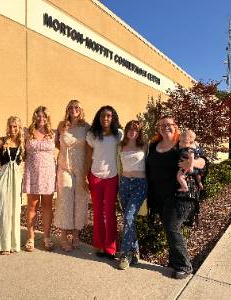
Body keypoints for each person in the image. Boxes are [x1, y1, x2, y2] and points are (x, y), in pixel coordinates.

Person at [146, 116, 205, 279]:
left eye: (170, 125)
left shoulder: (183, 143)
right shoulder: (153, 146)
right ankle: (174, 261)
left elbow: (203, 160)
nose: (166, 127)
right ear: (158, 128)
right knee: (170, 227)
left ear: (176, 127)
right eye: (162, 125)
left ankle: (184, 266)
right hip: (160, 195)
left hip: (181, 193)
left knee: (172, 226)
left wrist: (192, 164)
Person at [84, 105, 123, 259]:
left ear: (112, 118)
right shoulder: (92, 135)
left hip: (112, 177)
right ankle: (99, 245)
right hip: (95, 176)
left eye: (108, 116)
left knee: (110, 213)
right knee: (98, 213)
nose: (105, 118)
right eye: (102, 116)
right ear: (98, 118)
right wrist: (83, 177)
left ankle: (110, 248)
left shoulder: (118, 135)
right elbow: (88, 156)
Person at [54, 100, 90, 252]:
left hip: (81, 167)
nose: (73, 109)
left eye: (76, 107)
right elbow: (57, 143)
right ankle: (63, 236)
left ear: (81, 110)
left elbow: (90, 148)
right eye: (71, 107)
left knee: (80, 200)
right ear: (67, 109)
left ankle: (75, 235)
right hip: (64, 167)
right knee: (65, 199)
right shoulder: (62, 125)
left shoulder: (87, 127)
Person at [23, 106, 56, 252]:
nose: (41, 119)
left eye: (44, 116)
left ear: (47, 118)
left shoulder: (53, 133)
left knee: (48, 206)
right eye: (38, 116)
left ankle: (46, 237)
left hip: (48, 173)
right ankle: (30, 237)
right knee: (32, 206)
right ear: (34, 117)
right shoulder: (27, 132)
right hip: (32, 172)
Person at [117, 120, 147, 270]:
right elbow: (118, 166)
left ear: (139, 132)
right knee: (129, 219)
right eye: (130, 129)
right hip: (124, 183)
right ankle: (135, 252)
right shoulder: (121, 146)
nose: (132, 132)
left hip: (139, 184)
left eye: (135, 130)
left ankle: (125, 254)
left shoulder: (144, 146)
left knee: (129, 217)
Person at [0, 116, 24, 255]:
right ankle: (3, 244)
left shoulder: (22, 143)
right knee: (3, 208)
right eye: (11, 126)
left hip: (16, 176)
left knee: (15, 209)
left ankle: (14, 244)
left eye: (16, 126)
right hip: (3, 175)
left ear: (19, 127)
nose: (13, 129)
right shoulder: (1, 141)